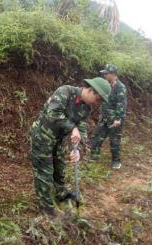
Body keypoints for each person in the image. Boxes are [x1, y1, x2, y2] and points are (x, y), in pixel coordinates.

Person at [29, 77, 111, 216]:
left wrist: (78, 148)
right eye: (98, 99)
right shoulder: (65, 91)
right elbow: (53, 113)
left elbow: (82, 128)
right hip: (42, 136)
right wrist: (72, 128)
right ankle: (46, 208)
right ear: (91, 90)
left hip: (59, 140)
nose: (98, 103)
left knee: (60, 169)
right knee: (45, 173)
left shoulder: (87, 107)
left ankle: (61, 194)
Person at [90, 64, 127, 170]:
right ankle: (94, 156)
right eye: (104, 74)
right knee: (97, 136)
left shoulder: (120, 87)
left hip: (115, 119)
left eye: (106, 74)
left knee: (114, 140)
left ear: (113, 74)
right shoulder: (107, 85)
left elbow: (121, 104)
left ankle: (116, 161)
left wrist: (118, 118)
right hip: (105, 118)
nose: (104, 75)